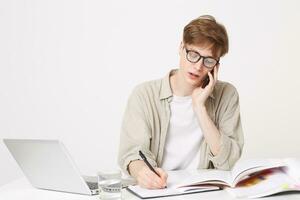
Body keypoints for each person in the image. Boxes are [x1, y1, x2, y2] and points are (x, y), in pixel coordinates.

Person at [118, 15, 244, 189]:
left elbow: (228, 162)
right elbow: (131, 154)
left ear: (216, 65)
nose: (198, 66)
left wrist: (199, 108)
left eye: (208, 60)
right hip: (158, 191)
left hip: (203, 193)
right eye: (193, 54)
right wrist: (143, 174)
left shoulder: (227, 95)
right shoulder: (144, 94)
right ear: (181, 48)